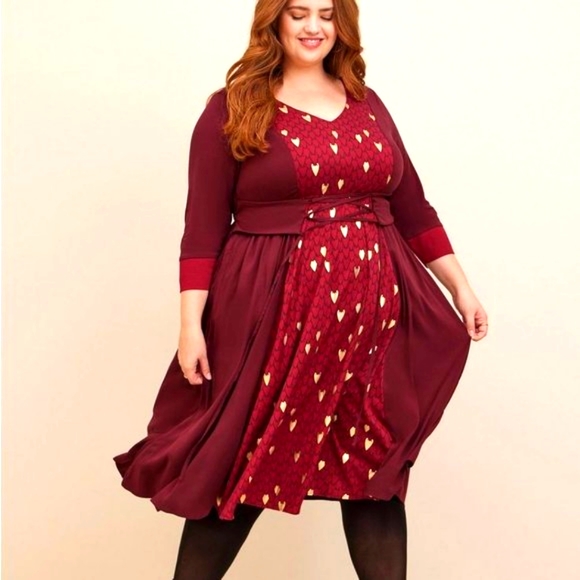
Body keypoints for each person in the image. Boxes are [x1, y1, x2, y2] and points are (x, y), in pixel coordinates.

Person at [114, 0, 488, 577]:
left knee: (373, 470)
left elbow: (412, 206)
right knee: (245, 458)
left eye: (326, 14)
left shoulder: (366, 103)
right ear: (274, 21)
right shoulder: (233, 109)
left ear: (342, 24)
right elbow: (202, 229)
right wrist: (190, 326)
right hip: (274, 317)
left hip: (371, 326)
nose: (314, 26)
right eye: (298, 13)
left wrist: (460, 286)